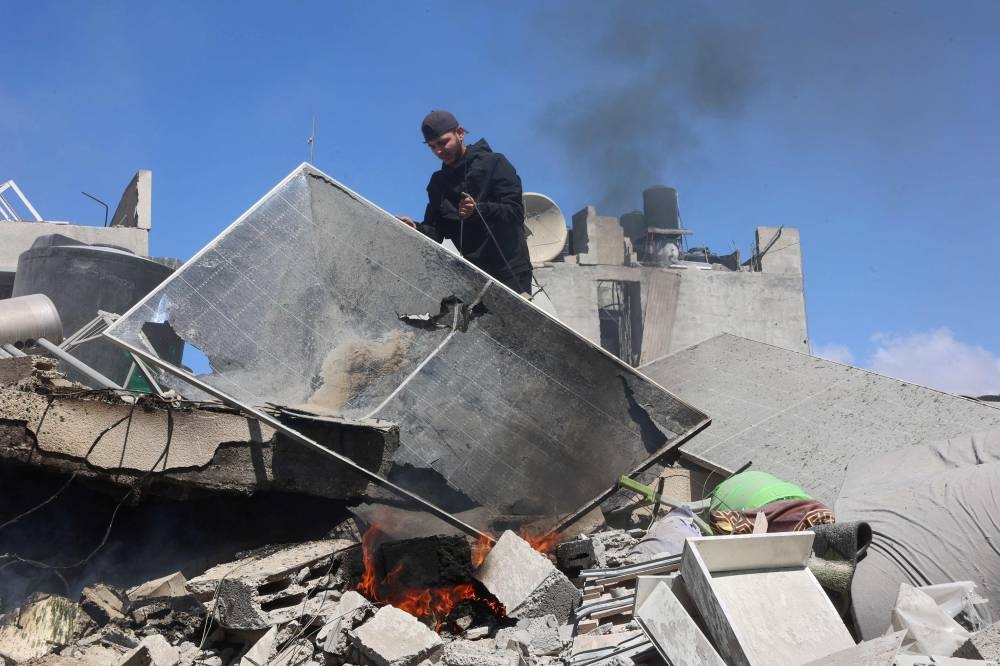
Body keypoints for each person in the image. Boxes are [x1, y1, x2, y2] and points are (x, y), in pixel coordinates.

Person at [397, 110, 533, 296]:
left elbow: (515, 212)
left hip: (511, 272)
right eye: (432, 146)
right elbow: (435, 231)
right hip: (472, 277)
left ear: (460, 133)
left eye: (443, 142)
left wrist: (479, 210)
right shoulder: (438, 183)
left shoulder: (495, 164)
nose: (438, 151)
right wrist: (415, 228)